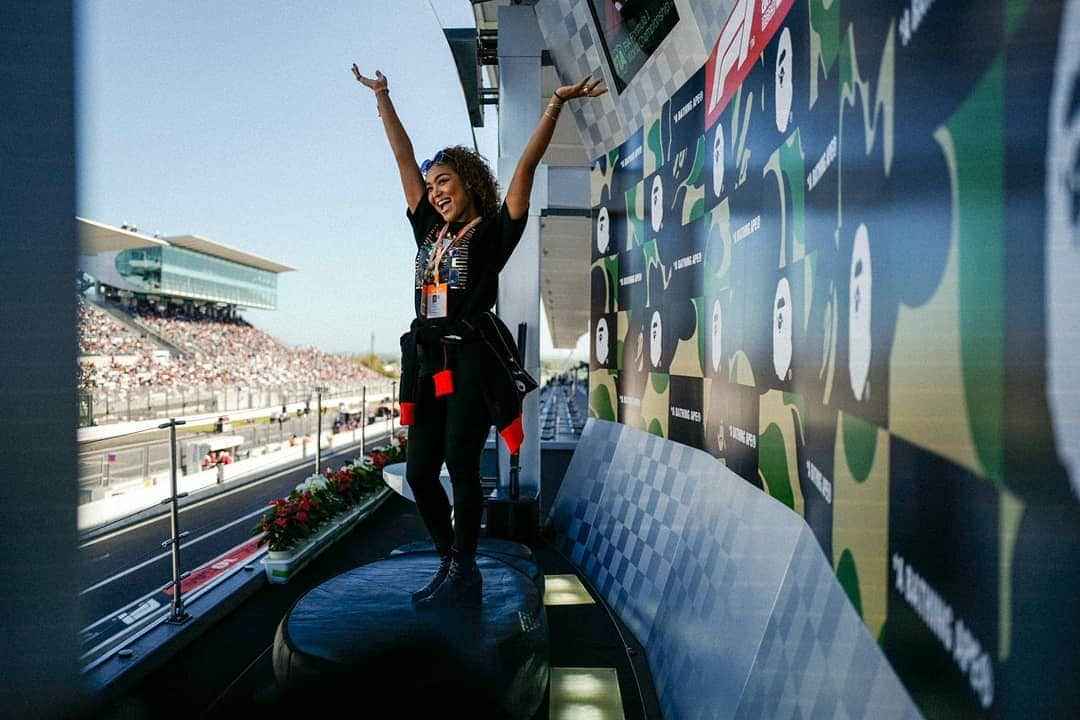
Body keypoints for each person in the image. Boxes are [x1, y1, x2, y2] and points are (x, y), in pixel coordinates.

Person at [352, 64, 607, 607]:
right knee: (420, 472)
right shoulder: (429, 230)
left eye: (444, 181)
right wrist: (384, 99)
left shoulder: (493, 233)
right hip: (424, 363)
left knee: (460, 464)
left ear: (469, 182)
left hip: (468, 364)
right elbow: (402, 158)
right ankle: (450, 559)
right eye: (431, 186)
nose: (435, 192)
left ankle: (464, 565)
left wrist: (555, 105)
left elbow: (526, 169)